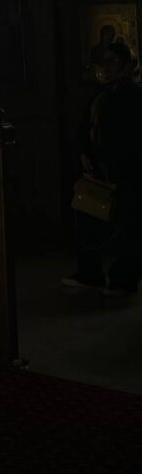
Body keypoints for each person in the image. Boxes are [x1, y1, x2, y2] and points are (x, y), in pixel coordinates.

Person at [64, 40, 142, 300]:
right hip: (96, 171)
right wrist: (84, 153)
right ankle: (90, 274)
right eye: (104, 62)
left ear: (126, 64)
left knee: (129, 227)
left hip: (126, 172)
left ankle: (124, 280)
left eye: (112, 62)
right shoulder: (101, 94)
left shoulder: (134, 94)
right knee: (87, 217)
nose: (106, 68)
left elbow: (130, 136)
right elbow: (86, 127)